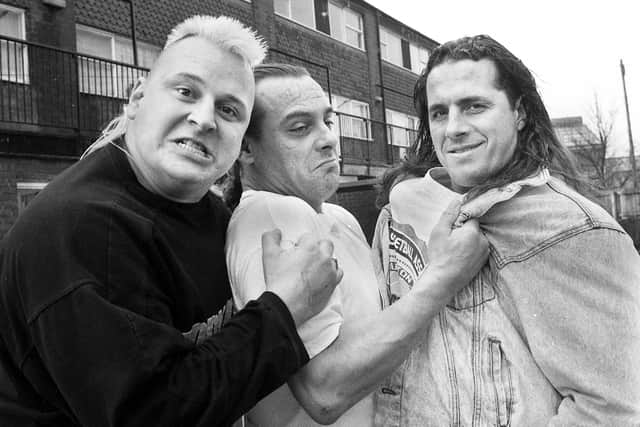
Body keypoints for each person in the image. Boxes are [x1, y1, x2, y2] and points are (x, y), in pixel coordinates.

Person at [0, 16, 344, 426]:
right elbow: (155, 413)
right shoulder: (80, 229)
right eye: (186, 91)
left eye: (229, 109)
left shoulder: (213, 215)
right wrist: (285, 308)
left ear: (241, 141)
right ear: (138, 98)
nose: (204, 119)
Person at [373, 34, 640, 426]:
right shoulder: (402, 216)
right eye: (440, 113)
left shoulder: (573, 230)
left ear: (519, 113)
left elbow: (614, 410)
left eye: (474, 107)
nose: (454, 129)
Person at [225, 64, 489, 426]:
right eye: (300, 128)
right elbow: (324, 392)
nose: (327, 139)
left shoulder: (338, 218)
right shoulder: (271, 214)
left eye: (327, 122)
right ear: (246, 149)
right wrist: (445, 276)